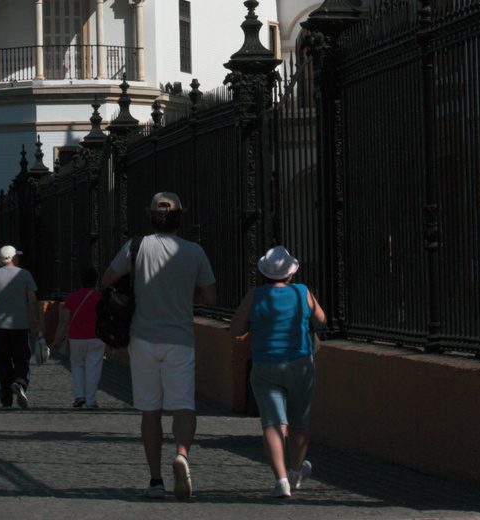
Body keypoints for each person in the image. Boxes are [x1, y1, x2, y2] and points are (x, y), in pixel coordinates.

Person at [102, 191, 217, 502]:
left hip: (142, 339)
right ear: (180, 217)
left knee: (150, 411)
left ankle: (155, 480)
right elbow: (210, 298)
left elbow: (107, 279)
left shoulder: (136, 247)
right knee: (183, 406)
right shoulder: (194, 252)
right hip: (179, 339)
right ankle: (182, 455)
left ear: (152, 217)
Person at [230, 245, 326, 499]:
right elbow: (323, 319)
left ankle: (281, 480)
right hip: (300, 365)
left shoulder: (254, 296)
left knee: (273, 425)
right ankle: (295, 472)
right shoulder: (302, 292)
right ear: (291, 273)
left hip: (265, 366)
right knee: (299, 424)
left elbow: (236, 329)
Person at [0, 245, 40, 410]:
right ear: (13, 258)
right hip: (20, 325)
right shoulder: (25, 274)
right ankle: (19, 381)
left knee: (3, 361)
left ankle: (6, 399)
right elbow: (33, 302)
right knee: (22, 357)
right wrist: (35, 324)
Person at [51, 266, 104, 409]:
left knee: (77, 365)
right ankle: (91, 400)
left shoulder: (72, 298)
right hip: (96, 337)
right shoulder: (100, 298)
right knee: (93, 367)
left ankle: (79, 395)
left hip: (76, 337)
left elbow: (64, 321)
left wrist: (57, 339)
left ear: (81, 281)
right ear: (96, 281)